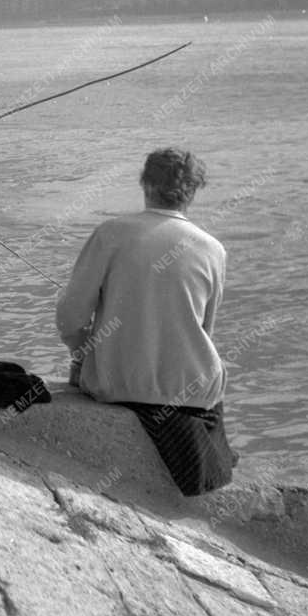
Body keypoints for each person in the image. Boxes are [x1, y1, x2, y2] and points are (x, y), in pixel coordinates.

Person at [56, 148, 235, 496]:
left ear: (145, 183)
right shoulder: (214, 249)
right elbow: (204, 330)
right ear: (194, 190)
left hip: (115, 384)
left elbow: (70, 318)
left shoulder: (111, 233)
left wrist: (82, 352)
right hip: (196, 392)